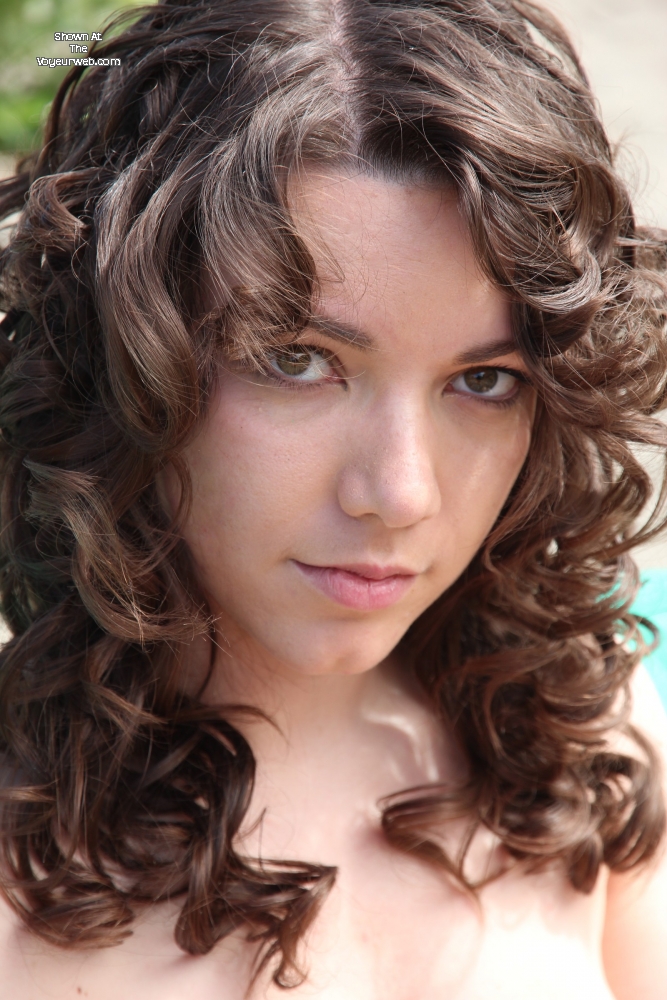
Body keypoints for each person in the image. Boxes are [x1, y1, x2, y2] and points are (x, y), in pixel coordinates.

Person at [0, 1, 665, 996]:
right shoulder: (20, 870)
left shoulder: (587, 739)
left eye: (483, 380)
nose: (399, 493)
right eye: (296, 360)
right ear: (124, 359)